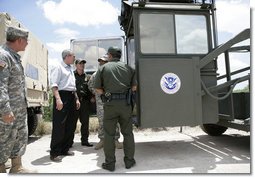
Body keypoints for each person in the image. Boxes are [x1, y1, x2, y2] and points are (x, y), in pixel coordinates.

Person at [94, 47, 137, 171]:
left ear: (110, 55)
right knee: (128, 133)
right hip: (125, 105)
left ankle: (110, 164)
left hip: (110, 105)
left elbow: (97, 88)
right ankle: (129, 162)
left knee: (109, 135)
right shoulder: (129, 68)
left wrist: (105, 96)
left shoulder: (103, 68)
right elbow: (134, 88)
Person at [0, 26, 34, 173]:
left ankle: (16, 167)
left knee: (19, 137)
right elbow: (0, 86)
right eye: (26, 40)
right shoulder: (3, 56)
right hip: (8, 110)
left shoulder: (13, 56)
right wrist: (5, 109)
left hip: (18, 109)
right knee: (3, 139)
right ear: (19, 40)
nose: (27, 44)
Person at [49, 49, 80, 162]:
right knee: (59, 125)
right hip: (62, 96)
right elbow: (54, 85)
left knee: (70, 125)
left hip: (71, 96)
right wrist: (58, 99)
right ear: (67, 56)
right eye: (73, 56)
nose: (74, 57)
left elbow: (72, 86)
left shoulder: (70, 68)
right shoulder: (58, 67)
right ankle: (55, 152)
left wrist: (76, 99)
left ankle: (64, 149)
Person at [88, 55, 123, 150]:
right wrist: (98, 94)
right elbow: (90, 87)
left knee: (115, 121)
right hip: (100, 104)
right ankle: (102, 140)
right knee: (102, 122)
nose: (101, 63)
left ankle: (115, 140)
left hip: (113, 103)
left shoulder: (114, 74)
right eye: (100, 62)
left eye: (104, 62)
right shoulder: (95, 75)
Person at [71, 58, 93, 147]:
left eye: (83, 63)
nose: (82, 65)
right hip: (74, 102)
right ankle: (69, 142)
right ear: (76, 65)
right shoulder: (71, 75)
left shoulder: (88, 77)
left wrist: (92, 97)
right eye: (80, 63)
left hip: (84, 102)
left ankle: (85, 141)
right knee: (72, 123)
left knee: (85, 123)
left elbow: (91, 88)